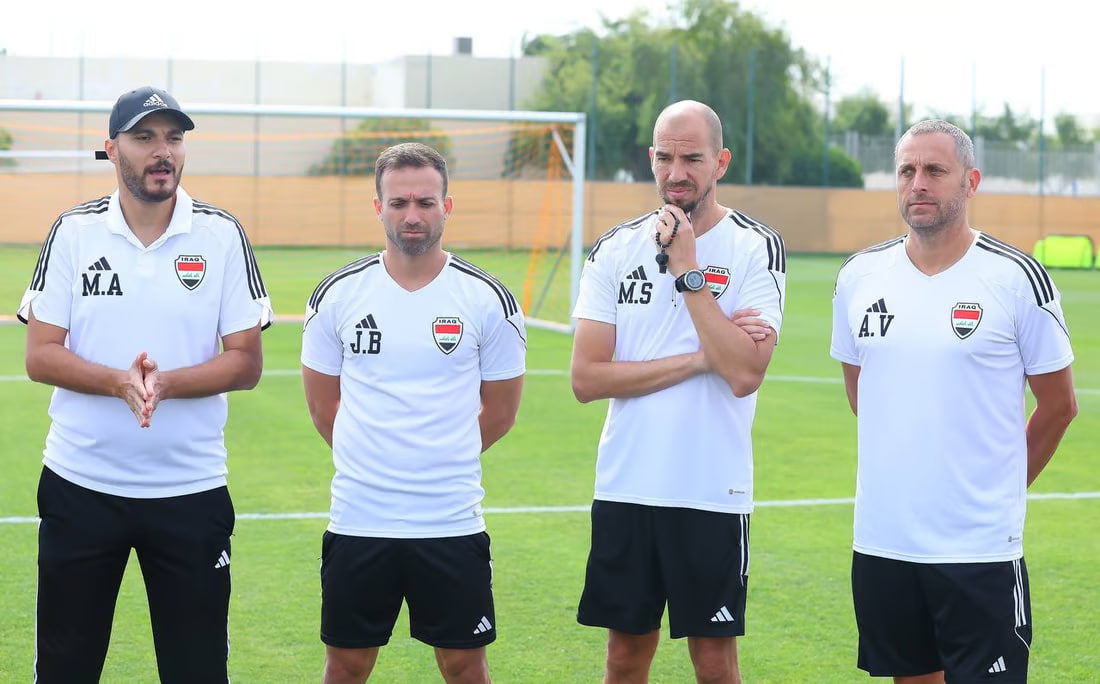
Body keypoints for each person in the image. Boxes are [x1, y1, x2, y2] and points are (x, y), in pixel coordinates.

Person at [18, 85, 272, 683]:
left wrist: (164, 385)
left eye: (174, 138)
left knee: (197, 670)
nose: (164, 151)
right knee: (64, 668)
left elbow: (246, 362)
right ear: (111, 149)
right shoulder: (73, 233)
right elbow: (40, 355)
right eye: (145, 137)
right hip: (81, 488)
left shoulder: (222, 234)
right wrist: (117, 382)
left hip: (191, 491)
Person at [830, 119, 1078, 684]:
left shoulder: (1016, 278)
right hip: (884, 541)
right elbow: (861, 390)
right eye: (907, 171)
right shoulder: (859, 277)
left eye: (935, 171)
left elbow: (1059, 405)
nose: (918, 183)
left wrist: (999, 483)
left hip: (978, 548)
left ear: (971, 182)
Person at [569, 99, 786, 684]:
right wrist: (700, 358)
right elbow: (587, 378)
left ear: (721, 161)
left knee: (714, 661)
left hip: (711, 489)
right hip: (627, 483)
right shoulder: (613, 249)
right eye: (665, 157)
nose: (676, 172)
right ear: (651, 158)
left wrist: (689, 272)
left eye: (692, 158)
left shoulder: (754, 247)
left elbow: (743, 372)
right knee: (624, 656)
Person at [301, 142, 526, 684]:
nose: (413, 215)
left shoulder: (487, 298)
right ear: (377, 207)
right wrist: (376, 460)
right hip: (360, 516)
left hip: (449, 519)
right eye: (398, 202)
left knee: (464, 663)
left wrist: (437, 461)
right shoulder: (337, 295)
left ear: (447, 206)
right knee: (347, 664)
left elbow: (499, 412)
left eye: (425, 202)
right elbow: (323, 407)